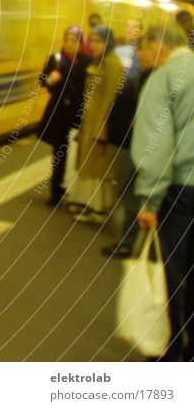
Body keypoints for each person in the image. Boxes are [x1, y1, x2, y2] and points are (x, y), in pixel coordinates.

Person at [131, 24, 194, 361]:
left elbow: (156, 145)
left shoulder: (164, 78)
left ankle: (170, 353)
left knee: (172, 269)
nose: (141, 55)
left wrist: (149, 198)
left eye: (143, 47)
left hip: (181, 189)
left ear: (159, 46)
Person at [101, 34, 155, 258]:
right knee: (128, 193)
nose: (140, 54)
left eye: (145, 49)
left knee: (131, 194)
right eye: (139, 49)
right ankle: (131, 240)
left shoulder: (154, 79)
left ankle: (128, 243)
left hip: (133, 144)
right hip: (125, 142)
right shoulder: (142, 75)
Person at [65, 25, 125, 223]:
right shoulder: (99, 62)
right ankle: (88, 205)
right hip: (89, 122)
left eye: (99, 41)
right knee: (88, 167)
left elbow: (110, 98)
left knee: (97, 168)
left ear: (108, 42)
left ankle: (97, 209)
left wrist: (102, 129)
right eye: (92, 41)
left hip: (100, 124)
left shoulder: (113, 64)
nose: (95, 45)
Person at [36, 26, 90, 206]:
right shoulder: (56, 59)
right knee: (60, 150)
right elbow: (42, 81)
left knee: (79, 150)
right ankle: (56, 190)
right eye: (68, 40)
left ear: (81, 43)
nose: (70, 44)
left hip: (78, 112)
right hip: (59, 112)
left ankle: (76, 188)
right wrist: (51, 79)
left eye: (75, 41)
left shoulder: (87, 62)